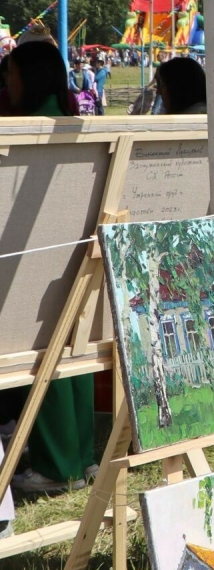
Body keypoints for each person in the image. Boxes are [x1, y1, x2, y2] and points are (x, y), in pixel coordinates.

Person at [1, 41, 96, 495]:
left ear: (28, 78)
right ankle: (80, 458)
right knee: (77, 356)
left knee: (47, 358)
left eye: (12, 75)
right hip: (77, 251)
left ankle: (58, 469)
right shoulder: (73, 114)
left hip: (38, 253)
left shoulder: (27, 125)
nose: (8, 83)